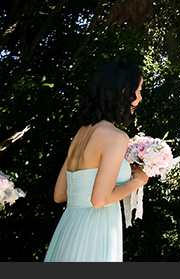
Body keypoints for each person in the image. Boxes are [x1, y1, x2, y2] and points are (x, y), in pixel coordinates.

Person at [45, 60, 149, 262]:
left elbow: (59, 195)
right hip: (94, 230)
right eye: (138, 91)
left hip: (68, 227)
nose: (139, 98)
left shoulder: (81, 134)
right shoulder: (116, 137)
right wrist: (138, 181)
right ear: (125, 91)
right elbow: (99, 200)